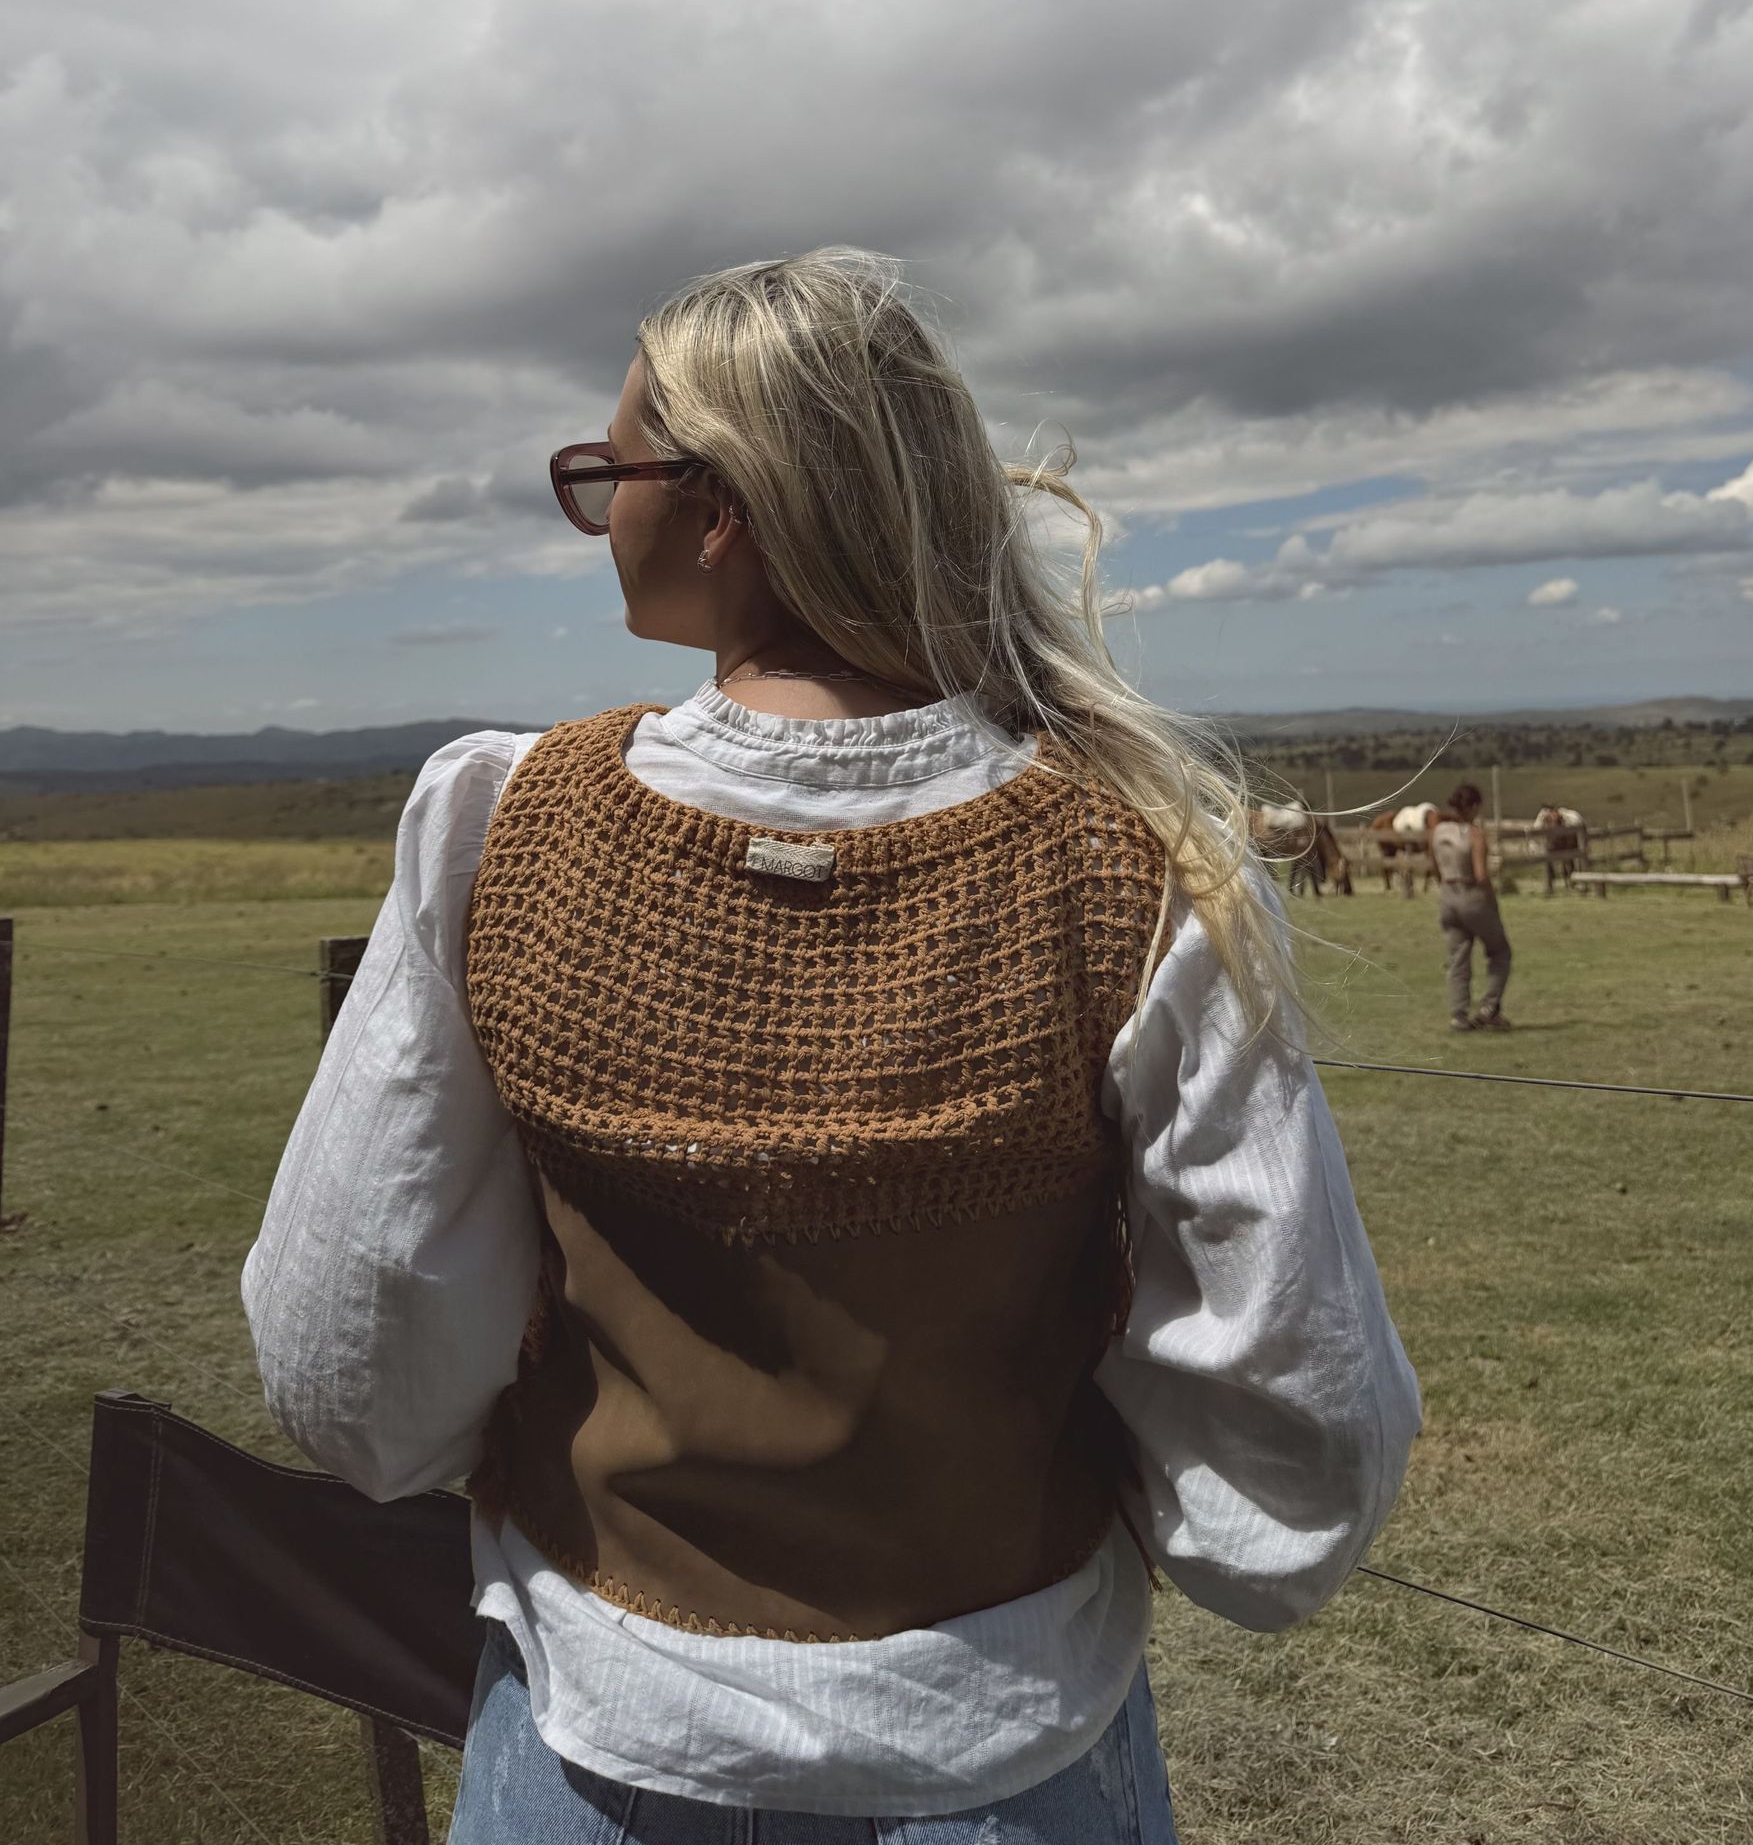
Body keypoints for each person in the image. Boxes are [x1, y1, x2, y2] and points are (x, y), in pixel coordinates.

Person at [242, 246, 1421, 1845]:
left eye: (608, 478)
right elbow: (1300, 1431)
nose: (601, 516)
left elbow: (351, 1352)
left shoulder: (501, 829)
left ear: (721, 508)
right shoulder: (1135, 862)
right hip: (1013, 1753)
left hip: (595, 1750)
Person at [1427, 784, 1512, 1032]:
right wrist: (1491, 898)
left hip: (1447, 896)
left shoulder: (1437, 831)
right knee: (1500, 952)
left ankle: (1459, 1015)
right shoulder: (1474, 834)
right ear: (1474, 806)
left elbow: (1434, 868)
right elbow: (1481, 875)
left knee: (1458, 958)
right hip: (1472, 896)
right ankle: (1489, 1007)